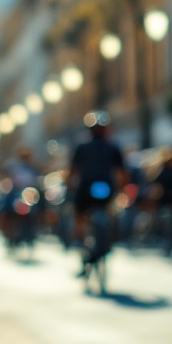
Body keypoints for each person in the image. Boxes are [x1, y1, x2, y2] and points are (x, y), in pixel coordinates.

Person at [67, 111, 127, 274]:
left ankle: (80, 242)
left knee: (80, 215)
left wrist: (69, 186)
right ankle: (110, 239)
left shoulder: (82, 147)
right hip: (106, 187)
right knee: (110, 213)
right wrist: (121, 188)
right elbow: (122, 173)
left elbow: (72, 171)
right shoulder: (113, 147)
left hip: (86, 187)